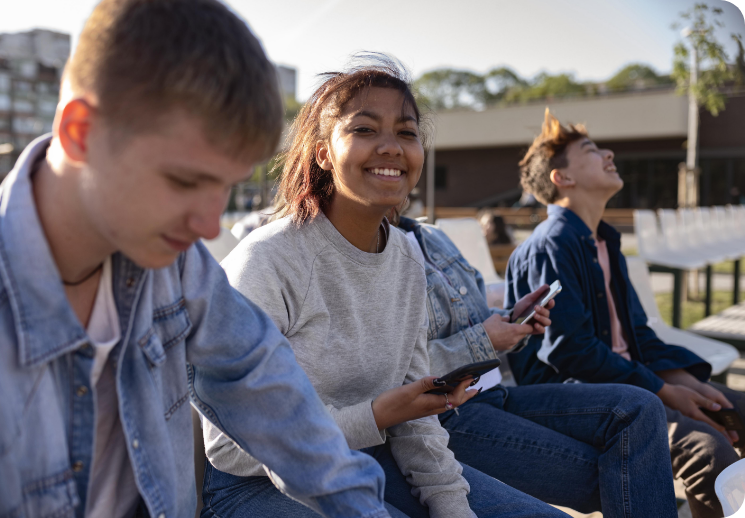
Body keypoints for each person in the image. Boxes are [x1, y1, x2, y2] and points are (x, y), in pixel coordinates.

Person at [0, 2, 393, 517]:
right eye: (184, 182)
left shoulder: (170, 258)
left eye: (224, 186)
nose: (209, 226)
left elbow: (257, 379)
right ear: (81, 132)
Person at [200, 57, 570, 518]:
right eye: (364, 130)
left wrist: (454, 508)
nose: (391, 148)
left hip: (372, 459)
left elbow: (417, 424)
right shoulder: (269, 260)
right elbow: (230, 448)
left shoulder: (409, 258)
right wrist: (375, 416)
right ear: (322, 153)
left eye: (407, 133)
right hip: (255, 487)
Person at [505, 108, 744, 518]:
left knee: (730, 407)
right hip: (576, 392)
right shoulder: (552, 244)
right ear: (563, 178)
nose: (609, 154)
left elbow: (639, 334)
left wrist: (687, 383)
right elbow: (571, 351)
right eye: (592, 150)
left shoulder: (605, 242)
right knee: (708, 451)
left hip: (630, 381)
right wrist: (665, 392)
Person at [396, 215, 678, 517]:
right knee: (630, 470)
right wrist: (483, 340)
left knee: (639, 407)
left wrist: (511, 319)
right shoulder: (384, 251)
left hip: (493, 391)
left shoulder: (430, 234)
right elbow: (395, 369)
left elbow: (470, 317)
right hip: (447, 413)